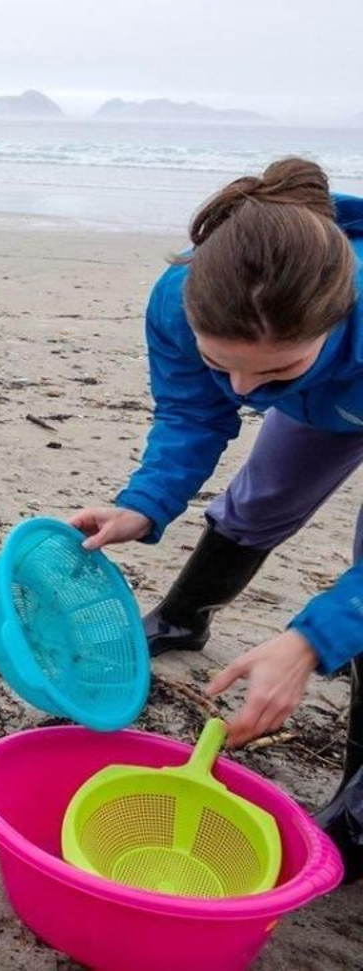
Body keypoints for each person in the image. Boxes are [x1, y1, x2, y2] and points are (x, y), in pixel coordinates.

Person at [68, 158, 363, 877]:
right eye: (221, 362)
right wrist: (146, 502)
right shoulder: (181, 295)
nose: (245, 392)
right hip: (326, 401)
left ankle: (359, 809)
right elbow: (194, 411)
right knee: (257, 498)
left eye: (274, 372)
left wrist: (308, 641)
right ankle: (184, 614)